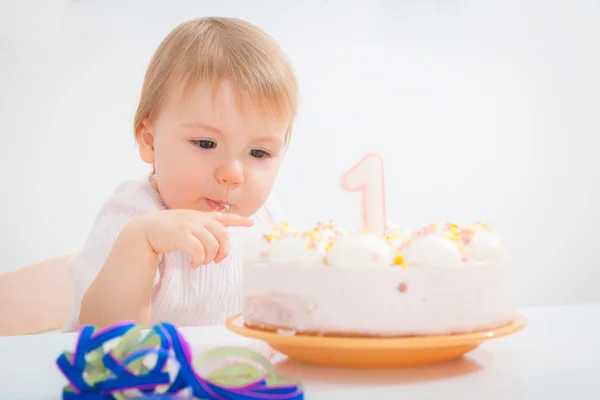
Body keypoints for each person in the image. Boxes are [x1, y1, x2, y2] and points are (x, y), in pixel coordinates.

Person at [63, 16, 298, 347]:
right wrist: (140, 243)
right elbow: (105, 344)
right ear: (149, 141)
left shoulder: (266, 219)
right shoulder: (133, 218)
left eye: (258, 153)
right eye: (205, 144)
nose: (233, 173)